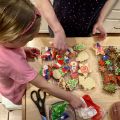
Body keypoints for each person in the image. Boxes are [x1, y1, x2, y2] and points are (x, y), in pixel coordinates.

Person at [0, 0, 84, 111]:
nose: (29, 41)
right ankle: (13, 105)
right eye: (28, 40)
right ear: (11, 38)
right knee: (24, 105)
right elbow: (45, 86)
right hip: (15, 92)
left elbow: (8, 50)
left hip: (9, 75)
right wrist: (71, 98)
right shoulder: (16, 65)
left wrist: (23, 49)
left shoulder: (4, 36)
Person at [34, 0, 112, 50]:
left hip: (87, 27)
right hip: (60, 26)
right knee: (59, 51)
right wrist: (57, 30)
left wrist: (100, 20)